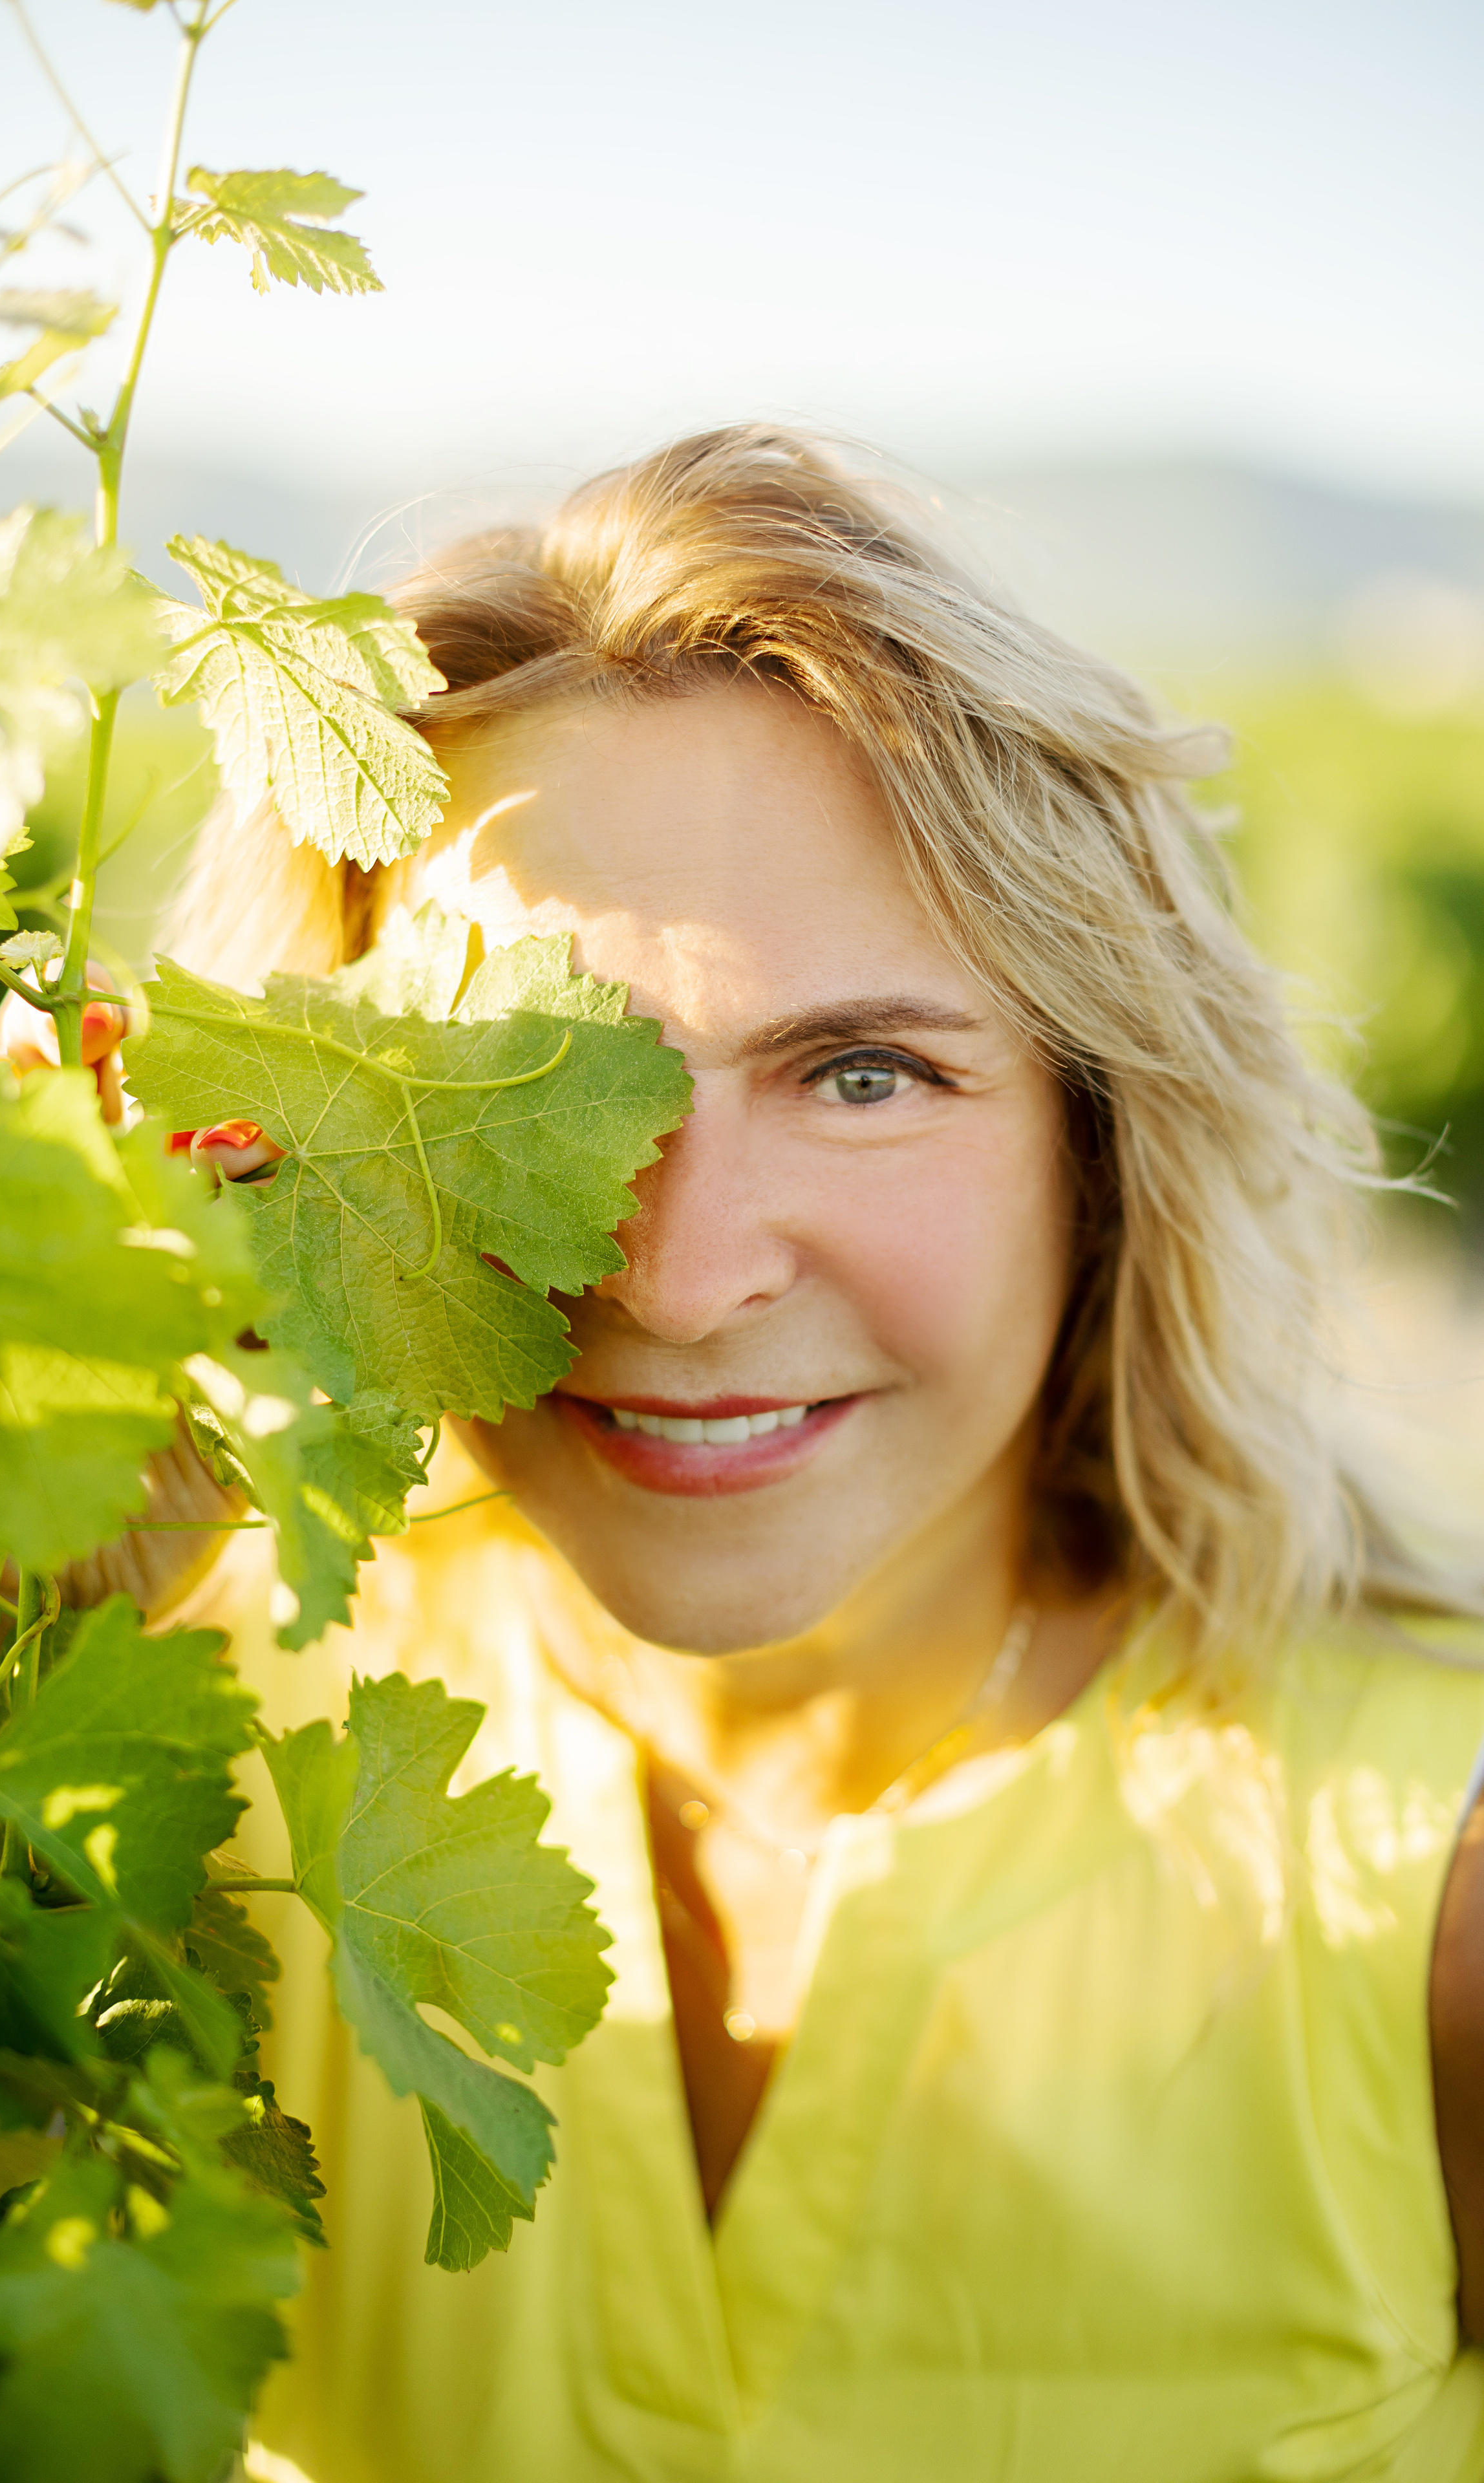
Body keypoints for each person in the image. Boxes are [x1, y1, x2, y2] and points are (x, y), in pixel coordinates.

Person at [153, 427, 1484, 2483]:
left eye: (863, 1075)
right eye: (527, 1079)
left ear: (1102, 1142)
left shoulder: (1430, 1910)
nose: (684, 1281)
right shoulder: (167, 1762)